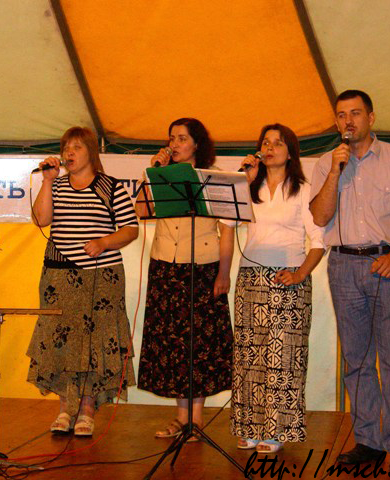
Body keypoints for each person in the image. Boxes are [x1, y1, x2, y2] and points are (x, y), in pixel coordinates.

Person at [310, 90, 390, 471]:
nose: (348, 121)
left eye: (355, 113)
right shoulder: (327, 163)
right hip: (343, 266)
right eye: (342, 115)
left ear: (371, 118)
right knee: (356, 360)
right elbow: (320, 217)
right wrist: (334, 172)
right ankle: (368, 441)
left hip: (385, 263)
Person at [27, 126, 138, 437]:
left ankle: (87, 409)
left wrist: (104, 242)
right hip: (58, 275)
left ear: (91, 151)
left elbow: (131, 228)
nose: (69, 153)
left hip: (100, 276)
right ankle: (65, 408)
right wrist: (48, 181)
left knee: (94, 342)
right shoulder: (56, 185)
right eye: (66, 147)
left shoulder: (110, 187)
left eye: (76, 147)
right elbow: (40, 219)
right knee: (61, 341)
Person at [136, 118, 234, 439]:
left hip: (203, 268)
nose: (174, 144)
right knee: (173, 343)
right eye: (171, 138)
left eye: (181, 138)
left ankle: (196, 419)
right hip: (166, 266)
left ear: (197, 144)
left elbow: (227, 231)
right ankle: (181, 418)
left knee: (199, 344)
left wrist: (223, 273)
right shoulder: (158, 175)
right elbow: (142, 212)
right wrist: (151, 174)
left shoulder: (214, 178)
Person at [230, 124, 324, 453]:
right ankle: (250, 427)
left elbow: (319, 241)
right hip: (249, 279)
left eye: (278, 143)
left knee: (282, 359)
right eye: (265, 143)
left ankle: (276, 432)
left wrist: (300, 274)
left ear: (291, 152)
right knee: (249, 357)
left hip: (287, 280)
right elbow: (227, 220)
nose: (269, 148)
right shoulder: (248, 187)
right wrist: (244, 180)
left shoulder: (303, 190)